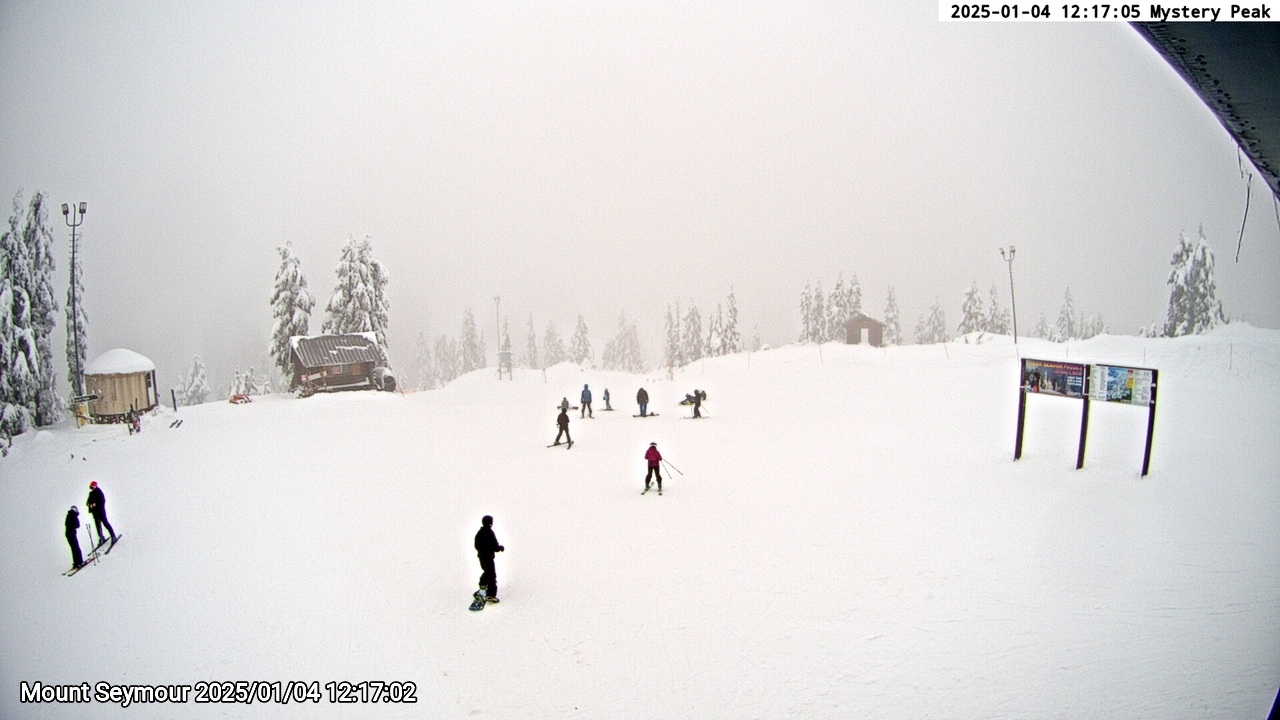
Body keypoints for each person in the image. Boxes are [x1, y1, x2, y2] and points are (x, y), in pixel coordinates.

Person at [474, 515, 505, 603]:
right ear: (490, 523)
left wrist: (481, 551)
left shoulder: (479, 533)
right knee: (491, 575)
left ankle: (483, 586)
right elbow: (494, 546)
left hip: (482, 557)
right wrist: (500, 548)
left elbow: (476, 545)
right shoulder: (490, 533)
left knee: (487, 572)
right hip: (488, 558)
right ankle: (491, 595)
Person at [85, 481, 117, 547]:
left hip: (101, 512)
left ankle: (113, 536)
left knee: (105, 523)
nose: (92, 488)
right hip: (95, 513)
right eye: (92, 487)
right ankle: (101, 537)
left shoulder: (99, 492)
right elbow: (88, 502)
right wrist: (90, 504)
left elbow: (102, 501)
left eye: (93, 487)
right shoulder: (91, 493)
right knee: (98, 525)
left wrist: (95, 505)